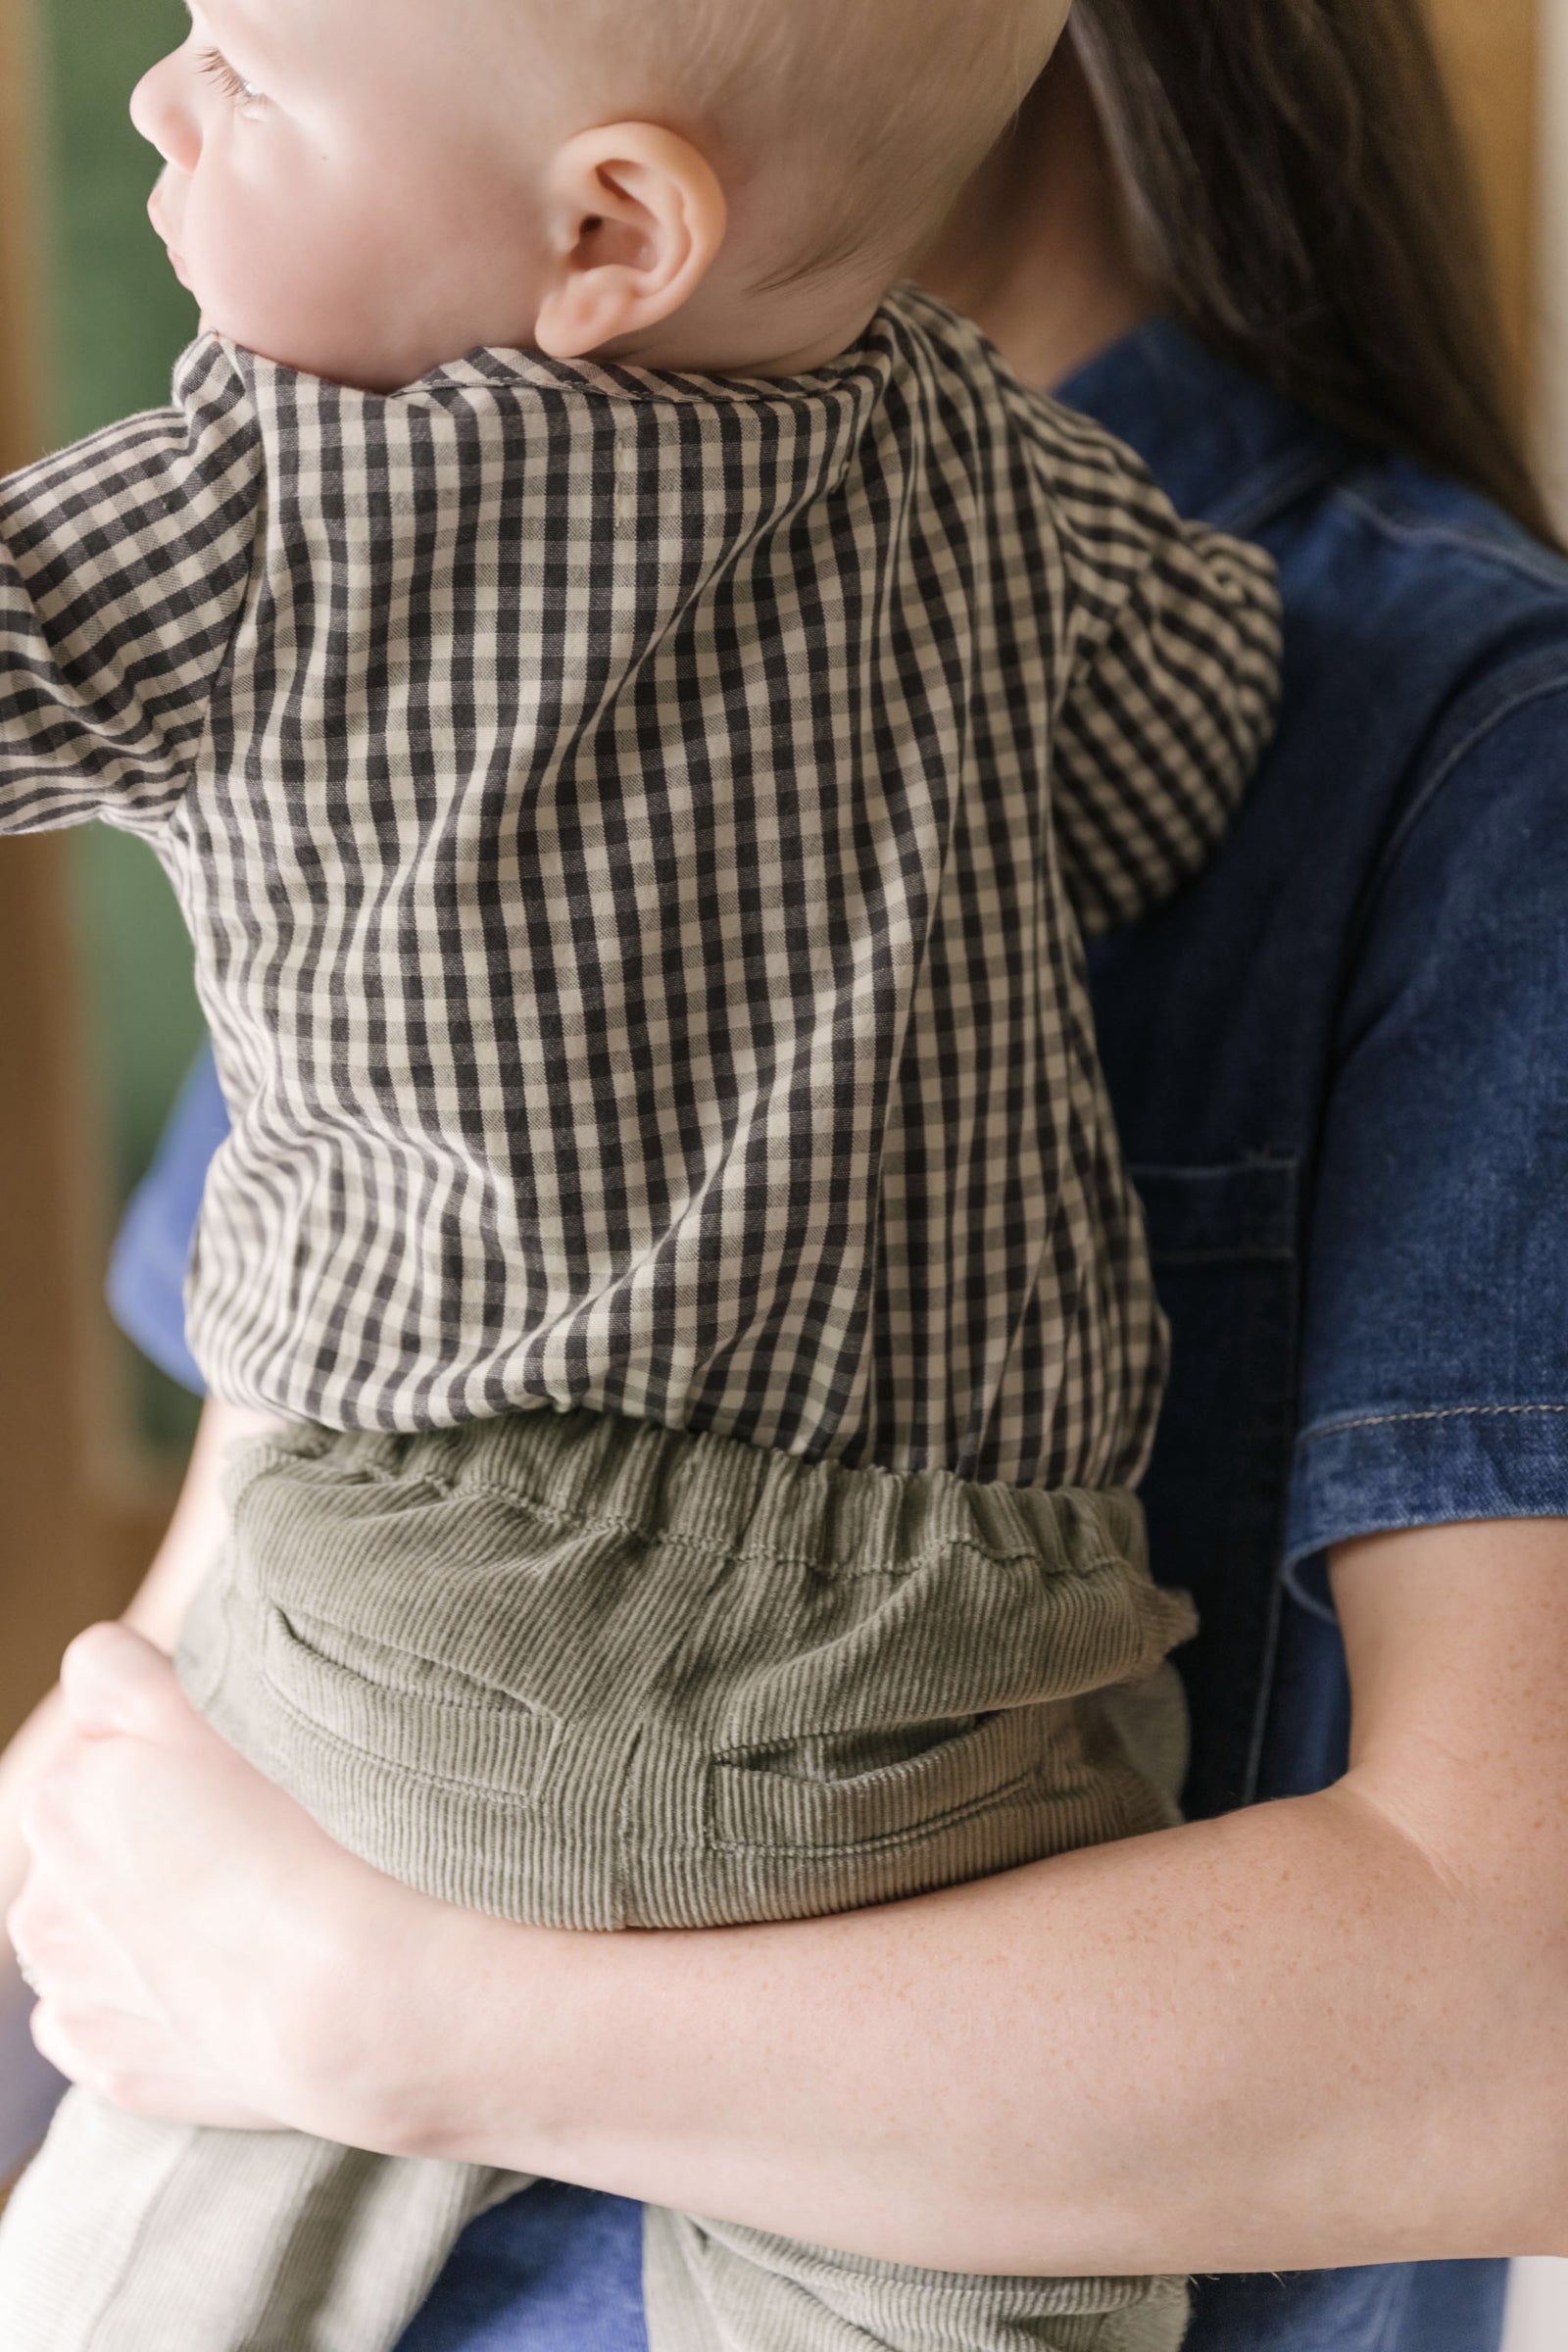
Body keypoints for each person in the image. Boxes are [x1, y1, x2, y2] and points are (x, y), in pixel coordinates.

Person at [5, 5, 1566, 2351]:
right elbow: (182, 1648)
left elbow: (1517, 2010)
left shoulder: (1469, 753)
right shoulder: (1016, 539)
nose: (160, 91)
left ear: (618, 219)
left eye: (248, 56)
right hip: (923, 1692)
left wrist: (364, 2005)